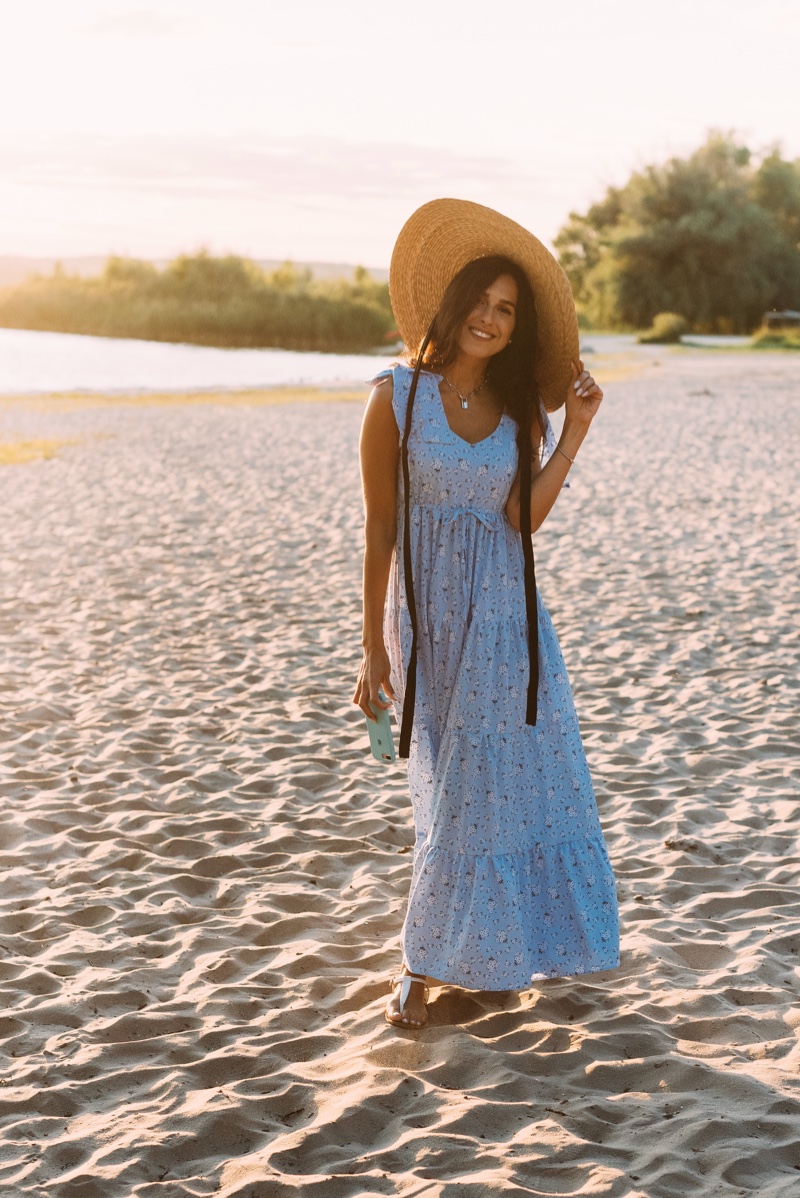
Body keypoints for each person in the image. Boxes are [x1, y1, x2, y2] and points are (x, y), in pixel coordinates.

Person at [353, 199, 619, 1029]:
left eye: (508, 311)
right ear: (453, 302)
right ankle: (443, 960)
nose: (491, 319)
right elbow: (380, 527)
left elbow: (521, 521)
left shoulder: (518, 416)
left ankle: (441, 964)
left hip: (508, 619)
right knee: (448, 786)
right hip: (428, 621)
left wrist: (573, 433)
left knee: (494, 782)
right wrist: (371, 645)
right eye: (482, 301)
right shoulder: (395, 398)